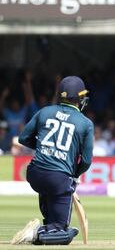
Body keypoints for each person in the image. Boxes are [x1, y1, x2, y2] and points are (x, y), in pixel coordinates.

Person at [11, 76, 94, 245]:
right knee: (64, 233)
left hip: (34, 173)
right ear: (79, 98)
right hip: (58, 179)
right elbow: (85, 161)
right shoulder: (85, 123)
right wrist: (74, 175)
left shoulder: (45, 111)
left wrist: (46, 149)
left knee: (52, 216)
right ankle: (36, 233)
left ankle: (48, 226)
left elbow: (23, 138)